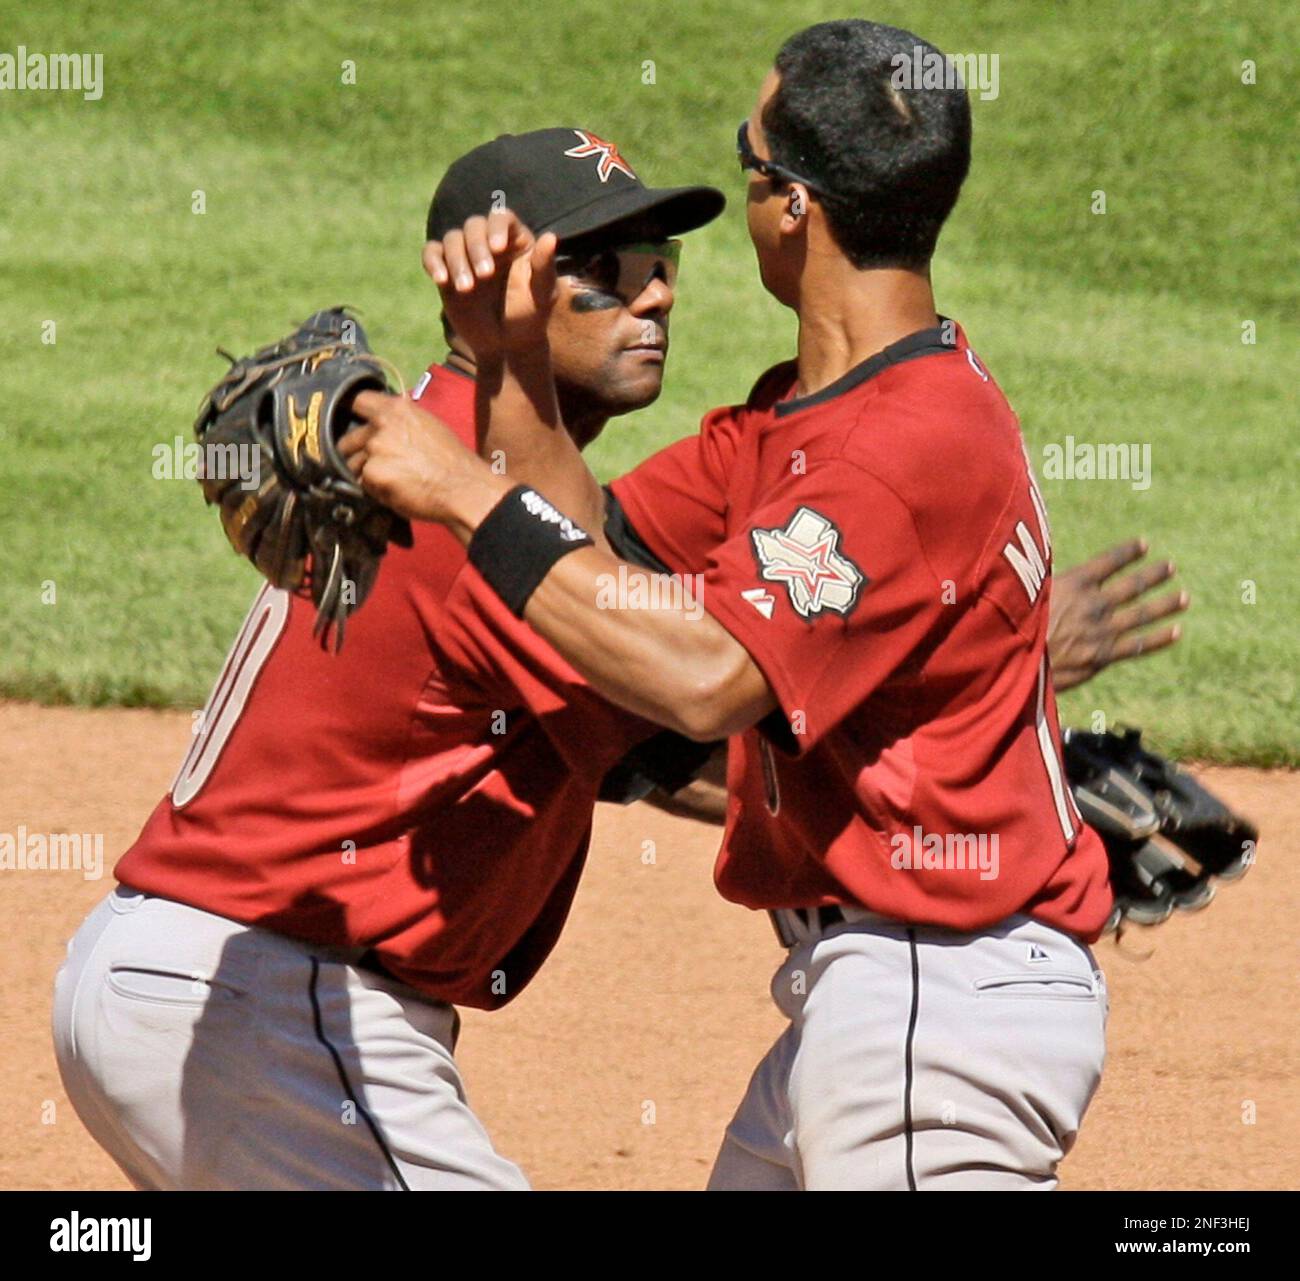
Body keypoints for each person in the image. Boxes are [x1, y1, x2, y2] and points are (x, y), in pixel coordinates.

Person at [342, 20, 1172, 1190]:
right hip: (879, 1002)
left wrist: (458, 492)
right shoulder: (795, 420)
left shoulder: (896, 445)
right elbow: (590, 558)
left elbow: (698, 680)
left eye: (745, 165)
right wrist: (509, 359)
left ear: (791, 207)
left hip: (938, 1002)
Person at [50, 127, 727, 1191]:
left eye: (660, 266)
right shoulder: (469, 499)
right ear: (496, 281)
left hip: (201, 990)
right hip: (272, 1002)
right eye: (600, 271)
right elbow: (671, 737)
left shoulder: (446, 449)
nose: (653, 298)